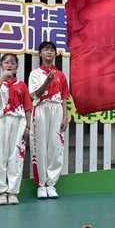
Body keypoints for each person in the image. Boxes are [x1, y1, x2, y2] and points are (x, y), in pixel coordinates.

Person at [28, 41, 70, 200]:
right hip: (41, 108)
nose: (49, 52)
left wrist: (65, 116)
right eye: (46, 50)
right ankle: (41, 185)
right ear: (40, 54)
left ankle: (51, 184)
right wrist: (47, 80)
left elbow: (65, 97)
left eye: (52, 50)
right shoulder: (35, 74)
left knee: (55, 146)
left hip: (56, 109)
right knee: (39, 147)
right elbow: (35, 95)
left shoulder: (61, 75)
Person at [0, 54, 32, 205]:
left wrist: (27, 126)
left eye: (13, 63)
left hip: (19, 121)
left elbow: (27, 107)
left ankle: (13, 192)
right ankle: (1, 192)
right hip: (1, 121)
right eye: (6, 62)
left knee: (16, 156)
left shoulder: (22, 85)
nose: (9, 65)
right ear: (1, 65)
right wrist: (3, 77)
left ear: (17, 67)